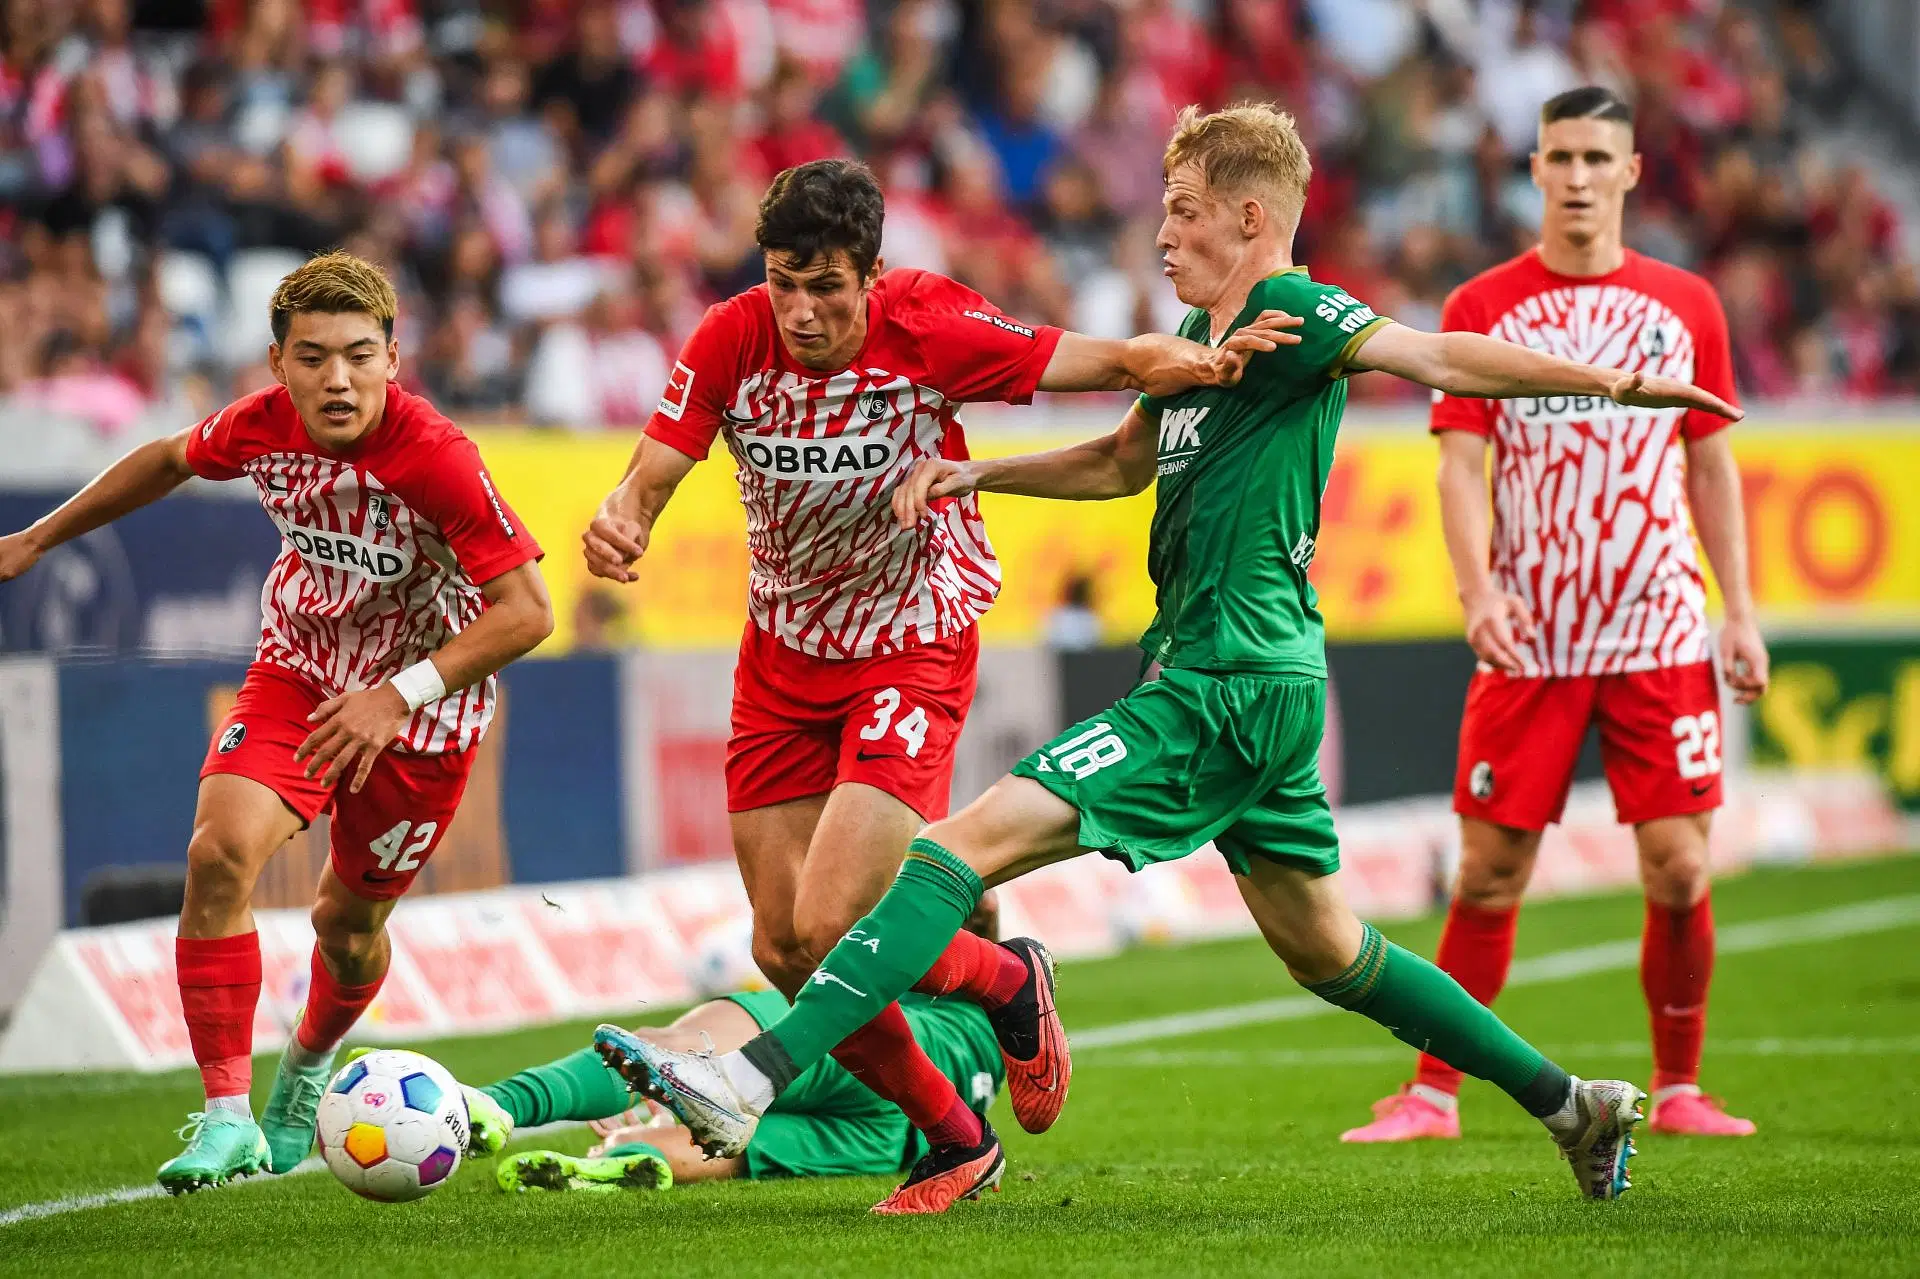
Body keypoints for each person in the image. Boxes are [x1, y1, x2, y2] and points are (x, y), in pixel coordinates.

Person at [591, 103, 1743, 1212]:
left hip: (1222, 680)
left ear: (1251, 216)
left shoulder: (1298, 310)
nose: (1160, 232)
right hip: (1252, 679)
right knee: (1333, 952)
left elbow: (1439, 354)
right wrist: (976, 473)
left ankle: (750, 1073)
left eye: (1183, 208)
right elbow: (1117, 466)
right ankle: (1572, 1103)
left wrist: (1614, 383)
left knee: (955, 847)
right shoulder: (1201, 341)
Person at [578, 158, 1294, 1214]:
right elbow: (651, 470)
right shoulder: (731, 336)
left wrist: (1202, 356)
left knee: (831, 926)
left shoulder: (930, 323)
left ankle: (971, 1069)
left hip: (911, 637)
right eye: (786, 280)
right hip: (782, 653)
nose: (804, 308)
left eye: (828, 285)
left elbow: (1096, 357)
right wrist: (624, 516)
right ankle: (979, 1070)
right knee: (781, 948)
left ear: (871, 276)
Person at [0, 252, 554, 1193]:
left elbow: (529, 611)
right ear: (276, 363)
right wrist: (36, 536)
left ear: (392, 357)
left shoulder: (439, 457)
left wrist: (398, 694)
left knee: (348, 922)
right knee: (218, 853)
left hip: (424, 706)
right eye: (311, 358)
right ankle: (227, 1119)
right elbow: (169, 458)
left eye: (356, 355)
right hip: (299, 667)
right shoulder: (262, 427)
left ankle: (302, 1076)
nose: (335, 379)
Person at [1340, 86, 1768, 1146]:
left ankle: (1679, 1088)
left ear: (1629, 173)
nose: (1576, 176)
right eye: (1559, 156)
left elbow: (1711, 467)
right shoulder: (1483, 305)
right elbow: (1458, 464)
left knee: (1680, 865)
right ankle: (1431, 1094)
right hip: (1531, 632)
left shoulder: (1688, 307)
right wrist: (1478, 592)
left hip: (1659, 626)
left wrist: (1740, 612)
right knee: (1489, 868)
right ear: (1531, 170)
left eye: (1596, 158)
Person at [464, 900, 1008, 1195]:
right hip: (896, 1138)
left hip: (862, 1041)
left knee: (670, 1049)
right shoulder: (1002, 1025)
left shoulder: (880, 978)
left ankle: (490, 1103)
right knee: (732, 1145)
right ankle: (632, 1158)